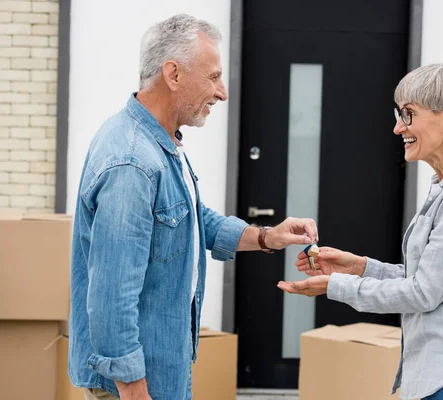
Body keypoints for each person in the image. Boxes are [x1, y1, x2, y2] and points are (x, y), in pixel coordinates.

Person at [68, 14, 318, 400]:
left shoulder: (161, 146)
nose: (222, 92)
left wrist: (268, 236)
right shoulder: (133, 163)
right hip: (135, 386)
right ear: (174, 74)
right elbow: (111, 295)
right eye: (214, 76)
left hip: (161, 372)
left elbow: (192, 219)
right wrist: (134, 392)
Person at [279, 64, 443, 399]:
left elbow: (424, 292)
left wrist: (336, 285)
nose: (396, 127)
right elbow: (429, 279)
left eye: (408, 114)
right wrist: (359, 267)